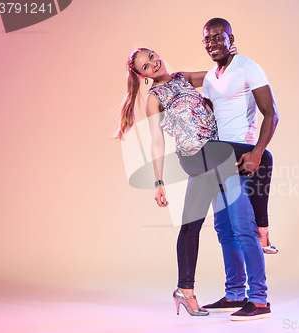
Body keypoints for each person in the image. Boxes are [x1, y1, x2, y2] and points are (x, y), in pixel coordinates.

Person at [114, 48, 270, 320]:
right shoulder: (154, 98)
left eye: (152, 56)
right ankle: (264, 229)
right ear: (143, 77)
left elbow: (216, 78)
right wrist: (159, 181)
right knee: (263, 155)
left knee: (195, 224)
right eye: (146, 66)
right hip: (197, 156)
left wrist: (231, 57)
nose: (154, 63)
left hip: (212, 158)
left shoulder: (182, 77)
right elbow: (157, 139)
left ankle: (191, 291)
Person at [199, 18, 279, 317]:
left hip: (243, 155)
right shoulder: (209, 77)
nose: (212, 43)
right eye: (207, 39)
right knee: (223, 228)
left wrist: (257, 152)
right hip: (217, 157)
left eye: (218, 37)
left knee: (243, 228)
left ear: (231, 37)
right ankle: (235, 292)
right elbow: (208, 121)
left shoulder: (248, 67)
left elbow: (271, 113)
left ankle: (258, 299)